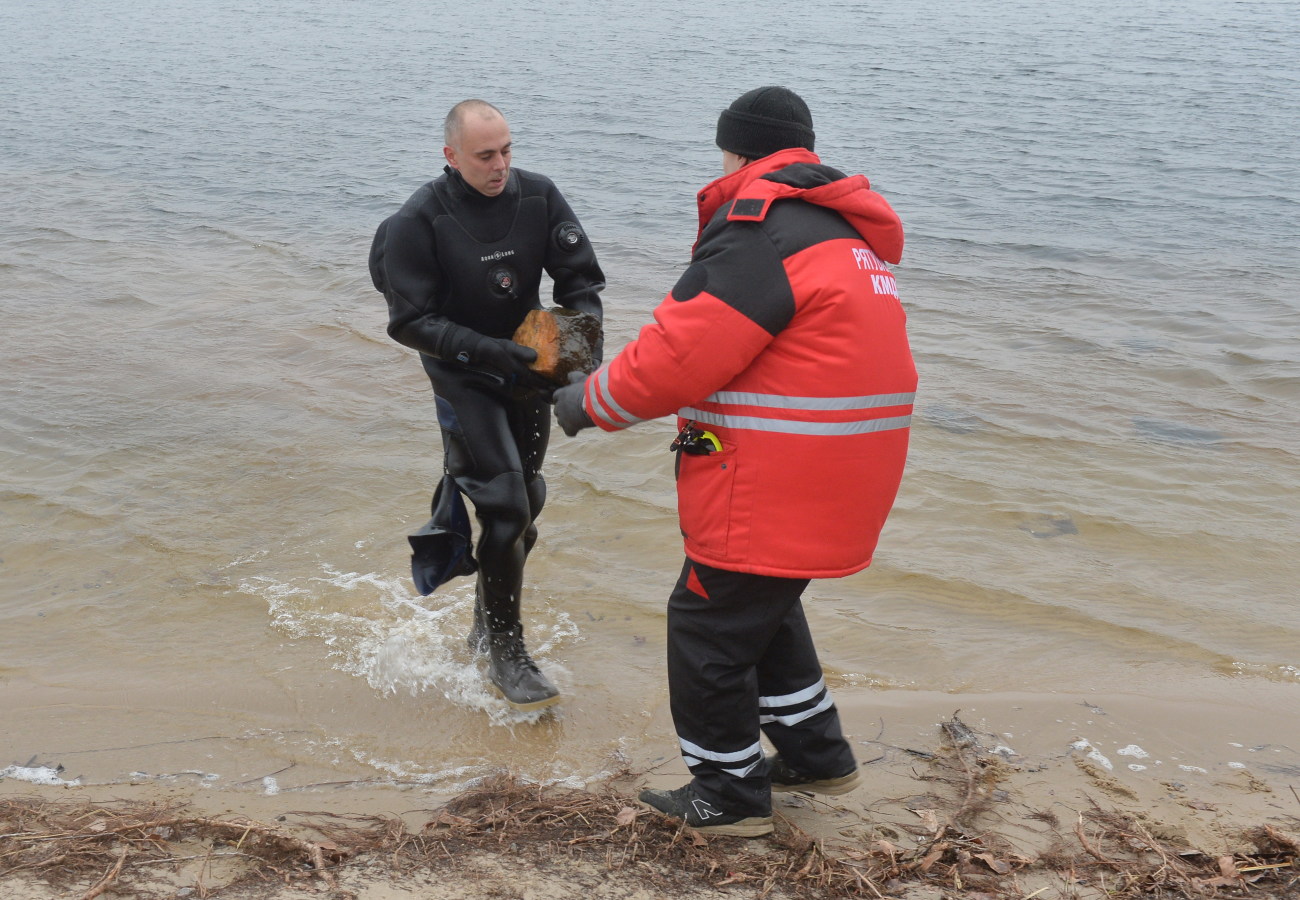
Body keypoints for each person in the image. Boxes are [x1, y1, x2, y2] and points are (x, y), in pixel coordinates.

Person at [552, 86, 917, 835]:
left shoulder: (763, 229)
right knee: (766, 605)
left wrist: (585, 402)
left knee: (707, 623)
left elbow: (679, 354)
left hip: (775, 475)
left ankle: (727, 794)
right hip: (844, 470)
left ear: (738, 150)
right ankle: (818, 757)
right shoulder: (844, 233)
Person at [369, 99, 604, 712]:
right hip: (463, 374)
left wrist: (575, 347)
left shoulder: (538, 197)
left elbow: (579, 280)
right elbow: (410, 321)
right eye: (484, 155)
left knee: (529, 500)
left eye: (507, 151)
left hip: (526, 368)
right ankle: (508, 650)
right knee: (502, 505)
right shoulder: (418, 220)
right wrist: (488, 352)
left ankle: (482, 623)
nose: (500, 165)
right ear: (451, 155)